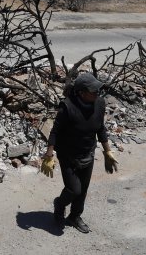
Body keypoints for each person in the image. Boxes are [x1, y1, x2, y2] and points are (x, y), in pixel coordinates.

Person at [41, 73, 118, 234]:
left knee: (83, 190)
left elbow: (100, 128)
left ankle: (74, 216)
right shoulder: (67, 106)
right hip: (68, 155)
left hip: (87, 152)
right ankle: (60, 205)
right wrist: (49, 154)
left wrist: (107, 151)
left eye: (98, 90)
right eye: (93, 90)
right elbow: (55, 131)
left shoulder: (99, 103)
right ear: (82, 93)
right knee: (74, 189)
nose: (97, 93)